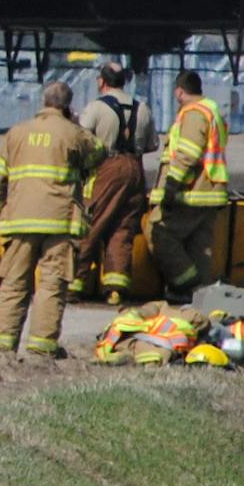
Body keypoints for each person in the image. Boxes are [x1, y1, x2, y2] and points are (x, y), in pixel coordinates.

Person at [0, 82, 96, 358]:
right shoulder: (73, 133)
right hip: (59, 222)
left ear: (43, 102)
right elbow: (98, 153)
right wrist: (76, 124)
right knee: (51, 284)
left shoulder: (16, 132)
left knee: (13, 283)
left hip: (20, 220)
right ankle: (41, 347)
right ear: (67, 106)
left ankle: (1, 347)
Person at [70, 63, 156, 306]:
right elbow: (152, 144)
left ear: (101, 81)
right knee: (123, 228)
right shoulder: (142, 108)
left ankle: (74, 284)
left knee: (91, 223)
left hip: (107, 168)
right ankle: (116, 289)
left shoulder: (96, 107)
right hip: (135, 169)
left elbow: (81, 140)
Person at [148, 70, 229, 303]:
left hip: (191, 192)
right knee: (199, 248)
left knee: (158, 232)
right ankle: (200, 299)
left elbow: (187, 154)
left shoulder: (194, 114)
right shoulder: (211, 111)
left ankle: (187, 283)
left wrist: (171, 186)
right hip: (210, 191)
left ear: (179, 92)